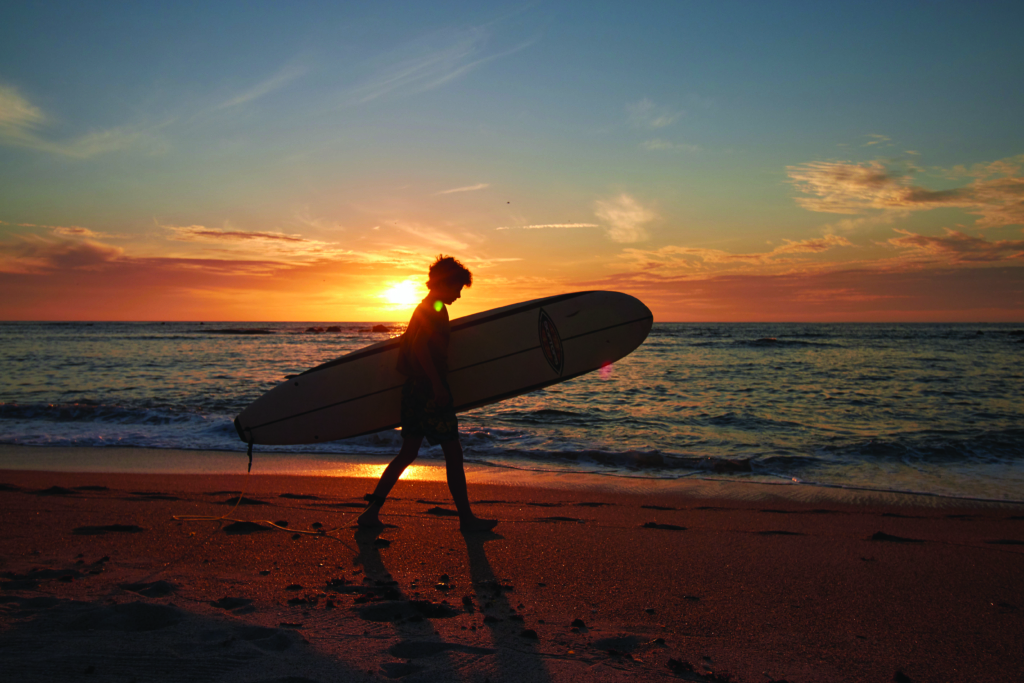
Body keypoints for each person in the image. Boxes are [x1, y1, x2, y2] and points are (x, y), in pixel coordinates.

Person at [358, 255, 498, 532]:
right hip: (428, 390)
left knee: (408, 452)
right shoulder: (433, 308)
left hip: (413, 390)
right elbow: (421, 346)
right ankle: (467, 520)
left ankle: (370, 513)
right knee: (453, 452)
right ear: (445, 283)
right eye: (457, 287)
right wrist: (437, 384)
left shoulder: (424, 307)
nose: (459, 295)